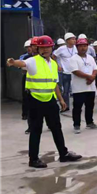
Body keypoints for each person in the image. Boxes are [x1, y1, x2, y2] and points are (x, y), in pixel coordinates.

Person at [6, 36, 82, 168]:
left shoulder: (53, 64)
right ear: (38, 48)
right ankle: (33, 159)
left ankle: (63, 154)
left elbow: (54, 84)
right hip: (35, 100)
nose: (45, 50)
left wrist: (61, 99)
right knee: (36, 129)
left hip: (50, 100)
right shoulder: (33, 61)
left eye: (48, 47)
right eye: (42, 47)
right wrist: (13, 62)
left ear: (52, 48)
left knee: (56, 128)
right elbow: (22, 63)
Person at [69, 38, 97, 134]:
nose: (83, 48)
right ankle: (76, 125)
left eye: (85, 46)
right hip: (79, 88)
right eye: (81, 46)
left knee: (90, 106)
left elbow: (95, 69)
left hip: (90, 87)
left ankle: (89, 122)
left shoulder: (90, 58)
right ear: (77, 47)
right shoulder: (73, 58)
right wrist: (89, 77)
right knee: (77, 107)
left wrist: (92, 77)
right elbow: (75, 71)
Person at [53, 32, 77, 112]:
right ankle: (65, 106)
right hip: (65, 73)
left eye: (74, 39)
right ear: (67, 40)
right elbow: (54, 56)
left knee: (75, 90)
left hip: (75, 72)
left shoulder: (76, 48)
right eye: (72, 39)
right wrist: (58, 66)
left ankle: (76, 105)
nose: (74, 40)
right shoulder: (61, 49)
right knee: (65, 91)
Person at [20, 39, 33, 122]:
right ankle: (25, 114)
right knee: (25, 96)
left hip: (35, 78)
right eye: (27, 47)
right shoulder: (24, 57)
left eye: (30, 47)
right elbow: (22, 68)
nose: (28, 49)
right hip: (27, 77)